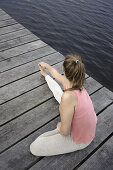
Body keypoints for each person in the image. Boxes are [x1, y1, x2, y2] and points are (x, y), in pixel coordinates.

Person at [30, 54, 98, 156]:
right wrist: (46, 70)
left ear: (63, 68)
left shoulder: (68, 97)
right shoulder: (76, 84)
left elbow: (65, 132)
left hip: (80, 140)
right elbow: (56, 75)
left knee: (34, 147)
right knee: (59, 93)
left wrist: (60, 126)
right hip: (87, 130)